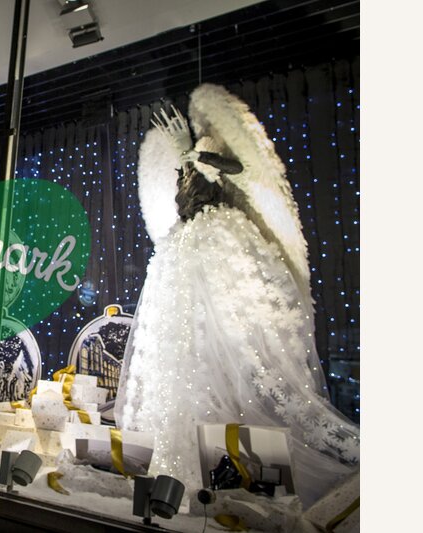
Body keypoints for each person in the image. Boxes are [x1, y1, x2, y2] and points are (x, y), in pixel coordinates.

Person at [114, 84, 359, 508]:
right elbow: (181, 197)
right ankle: (186, 460)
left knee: (231, 337)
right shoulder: (182, 168)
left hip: (216, 241)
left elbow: (230, 167)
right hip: (185, 246)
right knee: (182, 348)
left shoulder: (208, 146)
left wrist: (192, 154)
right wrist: (181, 158)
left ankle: (239, 462)